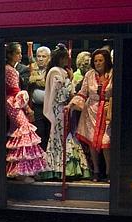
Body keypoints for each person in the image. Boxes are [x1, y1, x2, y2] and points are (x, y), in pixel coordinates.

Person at [40, 44, 91, 180]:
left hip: (67, 108)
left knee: (67, 134)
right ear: (60, 58)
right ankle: (58, 168)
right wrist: (70, 80)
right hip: (59, 109)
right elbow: (60, 95)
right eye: (65, 58)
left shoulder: (62, 71)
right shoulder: (55, 72)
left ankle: (68, 168)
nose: (67, 61)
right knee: (60, 137)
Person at [4, 42, 48, 182]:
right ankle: (21, 172)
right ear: (11, 54)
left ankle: (23, 170)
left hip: (13, 101)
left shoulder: (10, 68)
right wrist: (28, 109)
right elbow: (15, 90)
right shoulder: (9, 69)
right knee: (25, 130)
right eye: (17, 53)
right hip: (13, 102)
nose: (20, 55)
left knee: (22, 132)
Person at [68, 48, 114, 182]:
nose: (98, 63)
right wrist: (71, 104)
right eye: (95, 61)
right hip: (91, 111)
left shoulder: (113, 73)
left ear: (106, 61)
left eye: (101, 60)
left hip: (107, 111)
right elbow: (83, 93)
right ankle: (96, 171)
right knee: (93, 143)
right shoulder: (89, 74)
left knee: (106, 142)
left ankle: (109, 172)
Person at [28, 45, 51, 150]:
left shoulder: (52, 70)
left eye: (43, 56)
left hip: (50, 106)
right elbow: (29, 80)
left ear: (49, 58)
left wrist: (36, 80)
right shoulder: (32, 68)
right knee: (39, 131)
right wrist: (38, 79)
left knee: (49, 131)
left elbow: (47, 83)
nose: (40, 59)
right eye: (38, 56)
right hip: (37, 107)